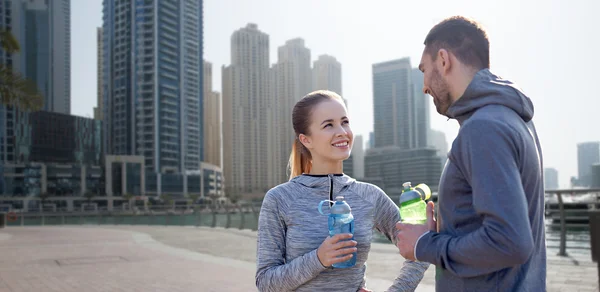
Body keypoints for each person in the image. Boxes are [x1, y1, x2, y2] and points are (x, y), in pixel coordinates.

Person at [395, 16, 546, 291]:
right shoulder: (513, 119)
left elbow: (510, 241)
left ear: (443, 60)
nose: (424, 86)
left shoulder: (484, 128)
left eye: (424, 70)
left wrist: (424, 244)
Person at [255, 90, 429, 292]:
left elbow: (421, 247)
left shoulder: (370, 196)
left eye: (345, 122)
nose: (342, 131)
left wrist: (398, 290)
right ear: (306, 139)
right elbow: (265, 282)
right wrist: (319, 258)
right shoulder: (280, 199)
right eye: (328, 125)